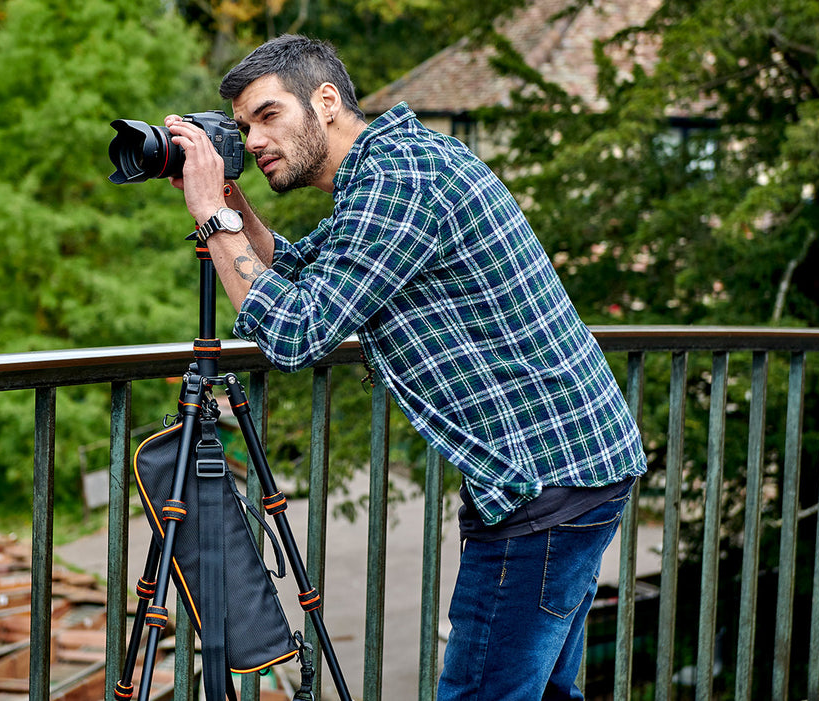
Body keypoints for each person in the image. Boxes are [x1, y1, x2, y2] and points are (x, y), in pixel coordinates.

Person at [164, 34, 647, 700]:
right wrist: (233, 204)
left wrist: (211, 218)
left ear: (326, 100)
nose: (253, 138)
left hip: (542, 484)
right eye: (243, 127)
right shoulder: (391, 168)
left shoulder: (402, 179)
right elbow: (298, 270)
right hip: (565, 471)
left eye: (268, 114)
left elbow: (298, 331)